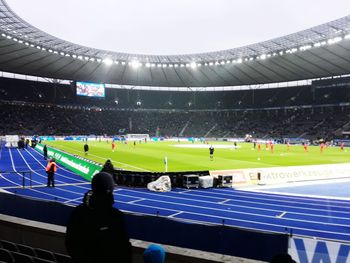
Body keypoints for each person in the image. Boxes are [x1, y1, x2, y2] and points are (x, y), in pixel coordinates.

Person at [65, 172, 132, 263]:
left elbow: (70, 243)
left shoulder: (78, 212)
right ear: (109, 190)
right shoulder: (115, 216)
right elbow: (124, 249)